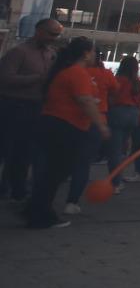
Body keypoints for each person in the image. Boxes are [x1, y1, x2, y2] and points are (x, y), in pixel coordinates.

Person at [24, 37, 108, 229]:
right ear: (86, 54)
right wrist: (101, 125)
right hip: (66, 126)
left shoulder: (68, 71)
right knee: (56, 172)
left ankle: (35, 208)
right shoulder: (77, 73)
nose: (95, 56)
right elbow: (85, 100)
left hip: (57, 124)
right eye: (93, 52)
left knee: (51, 171)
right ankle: (40, 214)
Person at [0, 17, 62, 202]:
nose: (54, 38)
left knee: (24, 151)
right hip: (14, 105)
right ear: (39, 31)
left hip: (36, 106)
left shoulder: (51, 54)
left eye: (57, 35)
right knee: (7, 147)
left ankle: (17, 188)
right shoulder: (19, 52)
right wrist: (37, 78)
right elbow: (5, 78)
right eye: (51, 34)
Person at [65, 53, 115, 213]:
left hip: (69, 120)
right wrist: (102, 125)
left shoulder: (69, 72)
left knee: (65, 158)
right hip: (94, 119)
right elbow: (115, 90)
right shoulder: (103, 74)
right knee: (83, 162)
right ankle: (72, 201)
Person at [104, 57, 140, 193]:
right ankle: (118, 177)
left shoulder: (118, 80)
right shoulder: (137, 83)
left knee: (114, 150)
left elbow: (111, 98)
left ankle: (115, 183)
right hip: (133, 114)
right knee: (122, 148)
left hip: (118, 112)